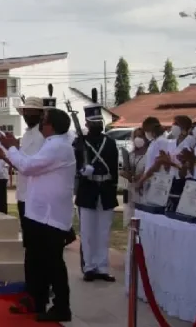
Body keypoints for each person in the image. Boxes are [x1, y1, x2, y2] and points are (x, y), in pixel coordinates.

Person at [0, 107, 75, 322]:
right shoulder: (52, 144)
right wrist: (13, 150)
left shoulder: (59, 146)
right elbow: (31, 164)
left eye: (44, 121)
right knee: (37, 260)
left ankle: (62, 307)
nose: (40, 124)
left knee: (52, 263)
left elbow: (26, 166)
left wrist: (11, 149)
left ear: (51, 126)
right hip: (39, 213)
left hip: (50, 216)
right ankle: (37, 299)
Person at [74, 100, 119, 282]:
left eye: (99, 122)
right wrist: (82, 170)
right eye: (93, 123)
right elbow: (75, 163)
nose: (97, 125)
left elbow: (114, 167)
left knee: (103, 232)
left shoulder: (110, 142)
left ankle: (102, 267)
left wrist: (114, 188)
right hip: (88, 190)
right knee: (87, 232)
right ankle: (89, 267)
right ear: (87, 124)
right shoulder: (80, 142)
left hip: (106, 190)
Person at [13, 97, 47, 231]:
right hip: (24, 191)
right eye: (26, 112)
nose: (28, 116)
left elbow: (28, 165)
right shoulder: (27, 134)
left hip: (35, 194)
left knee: (34, 235)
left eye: (32, 112)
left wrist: (11, 152)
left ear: (40, 114)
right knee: (27, 232)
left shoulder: (41, 135)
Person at [119, 128, 149, 226]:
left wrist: (135, 177)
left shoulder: (149, 154)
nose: (137, 139)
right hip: (130, 190)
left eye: (140, 136)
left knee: (142, 220)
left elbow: (148, 171)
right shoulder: (131, 154)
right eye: (135, 136)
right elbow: (124, 169)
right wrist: (125, 173)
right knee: (130, 219)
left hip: (144, 190)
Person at [137, 117, 174, 187]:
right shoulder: (154, 142)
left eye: (146, 131)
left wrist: (142, 179)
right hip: (150, 179)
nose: (145, 133)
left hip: (158, 181)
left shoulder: (161, 141)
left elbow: (158, 164)